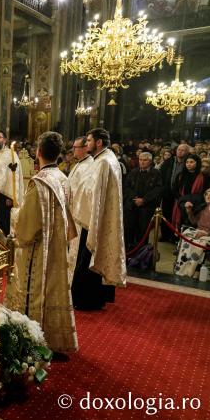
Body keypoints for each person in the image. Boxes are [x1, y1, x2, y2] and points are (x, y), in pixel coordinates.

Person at [5, 131, 78, 353]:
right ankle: (55, 338)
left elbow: (27, 228)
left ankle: (31, 337)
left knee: (35, 290)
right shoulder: (63, 178)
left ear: (38, 153)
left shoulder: (39, 183)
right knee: (54, 289)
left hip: (38, 251)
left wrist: (16, 214)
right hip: (57, 246)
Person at [71, 128, 126, 311]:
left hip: (93, 218)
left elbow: (93, 193)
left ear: (99, 142)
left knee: (88, 258)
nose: (87, 144)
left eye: (88, 141)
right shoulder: (107, 158)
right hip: (97, 216)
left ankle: (86, 300)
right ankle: (96, 298)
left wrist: (77, 199)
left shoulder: (103, 162)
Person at [123, 152, 163, 250]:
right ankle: (128, 251)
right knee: (129, 230)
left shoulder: (156, 173)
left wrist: (144, 200)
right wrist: (135, 198)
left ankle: (141, 252)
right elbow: (126, 187)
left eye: (145, 160)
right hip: (132, 206)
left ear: (150, 161)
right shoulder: (133, 172)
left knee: (143, 231)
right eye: (140, 159)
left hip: (146, 207)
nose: (142, 162)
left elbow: (157, 190)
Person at [67, 136, 93, 276]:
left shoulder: (90, 166)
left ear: (85, 148)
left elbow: (84, 192)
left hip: (79, 214)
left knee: (77, 248)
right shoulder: (79, 163)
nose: (73, 150)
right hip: (72, 211)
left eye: (75, 147)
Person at [174, 188, 210, 277]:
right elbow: (193, 222)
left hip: (208, 235)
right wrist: (189, 211)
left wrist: (206, 233)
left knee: (198, 244)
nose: (208, 197)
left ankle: (191, 271)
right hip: (198, 232)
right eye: (206, 194)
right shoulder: (203, 208)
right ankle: (181, 270)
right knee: (187, 240)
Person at [161, 144, 190, 241]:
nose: (180, 151)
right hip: (168, 192)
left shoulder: (188, 163)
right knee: (165, 214)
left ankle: (175, 237)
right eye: (179, 149)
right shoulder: (169, 161)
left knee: (177, 216)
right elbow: (162, 175)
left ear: (187, 152)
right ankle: (165, 235)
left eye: (183, 150)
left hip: (180, 194)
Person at [172, 153, 208, 230]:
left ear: (197, 163)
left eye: (191, 162)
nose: (188, 164)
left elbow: (205, 192)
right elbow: (175, 190)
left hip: (197, 206)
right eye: (187, 162)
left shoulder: (204, 177)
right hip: (181, 204)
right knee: (181, 226)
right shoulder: (180, 175)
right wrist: (183, 201)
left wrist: (191, 201)